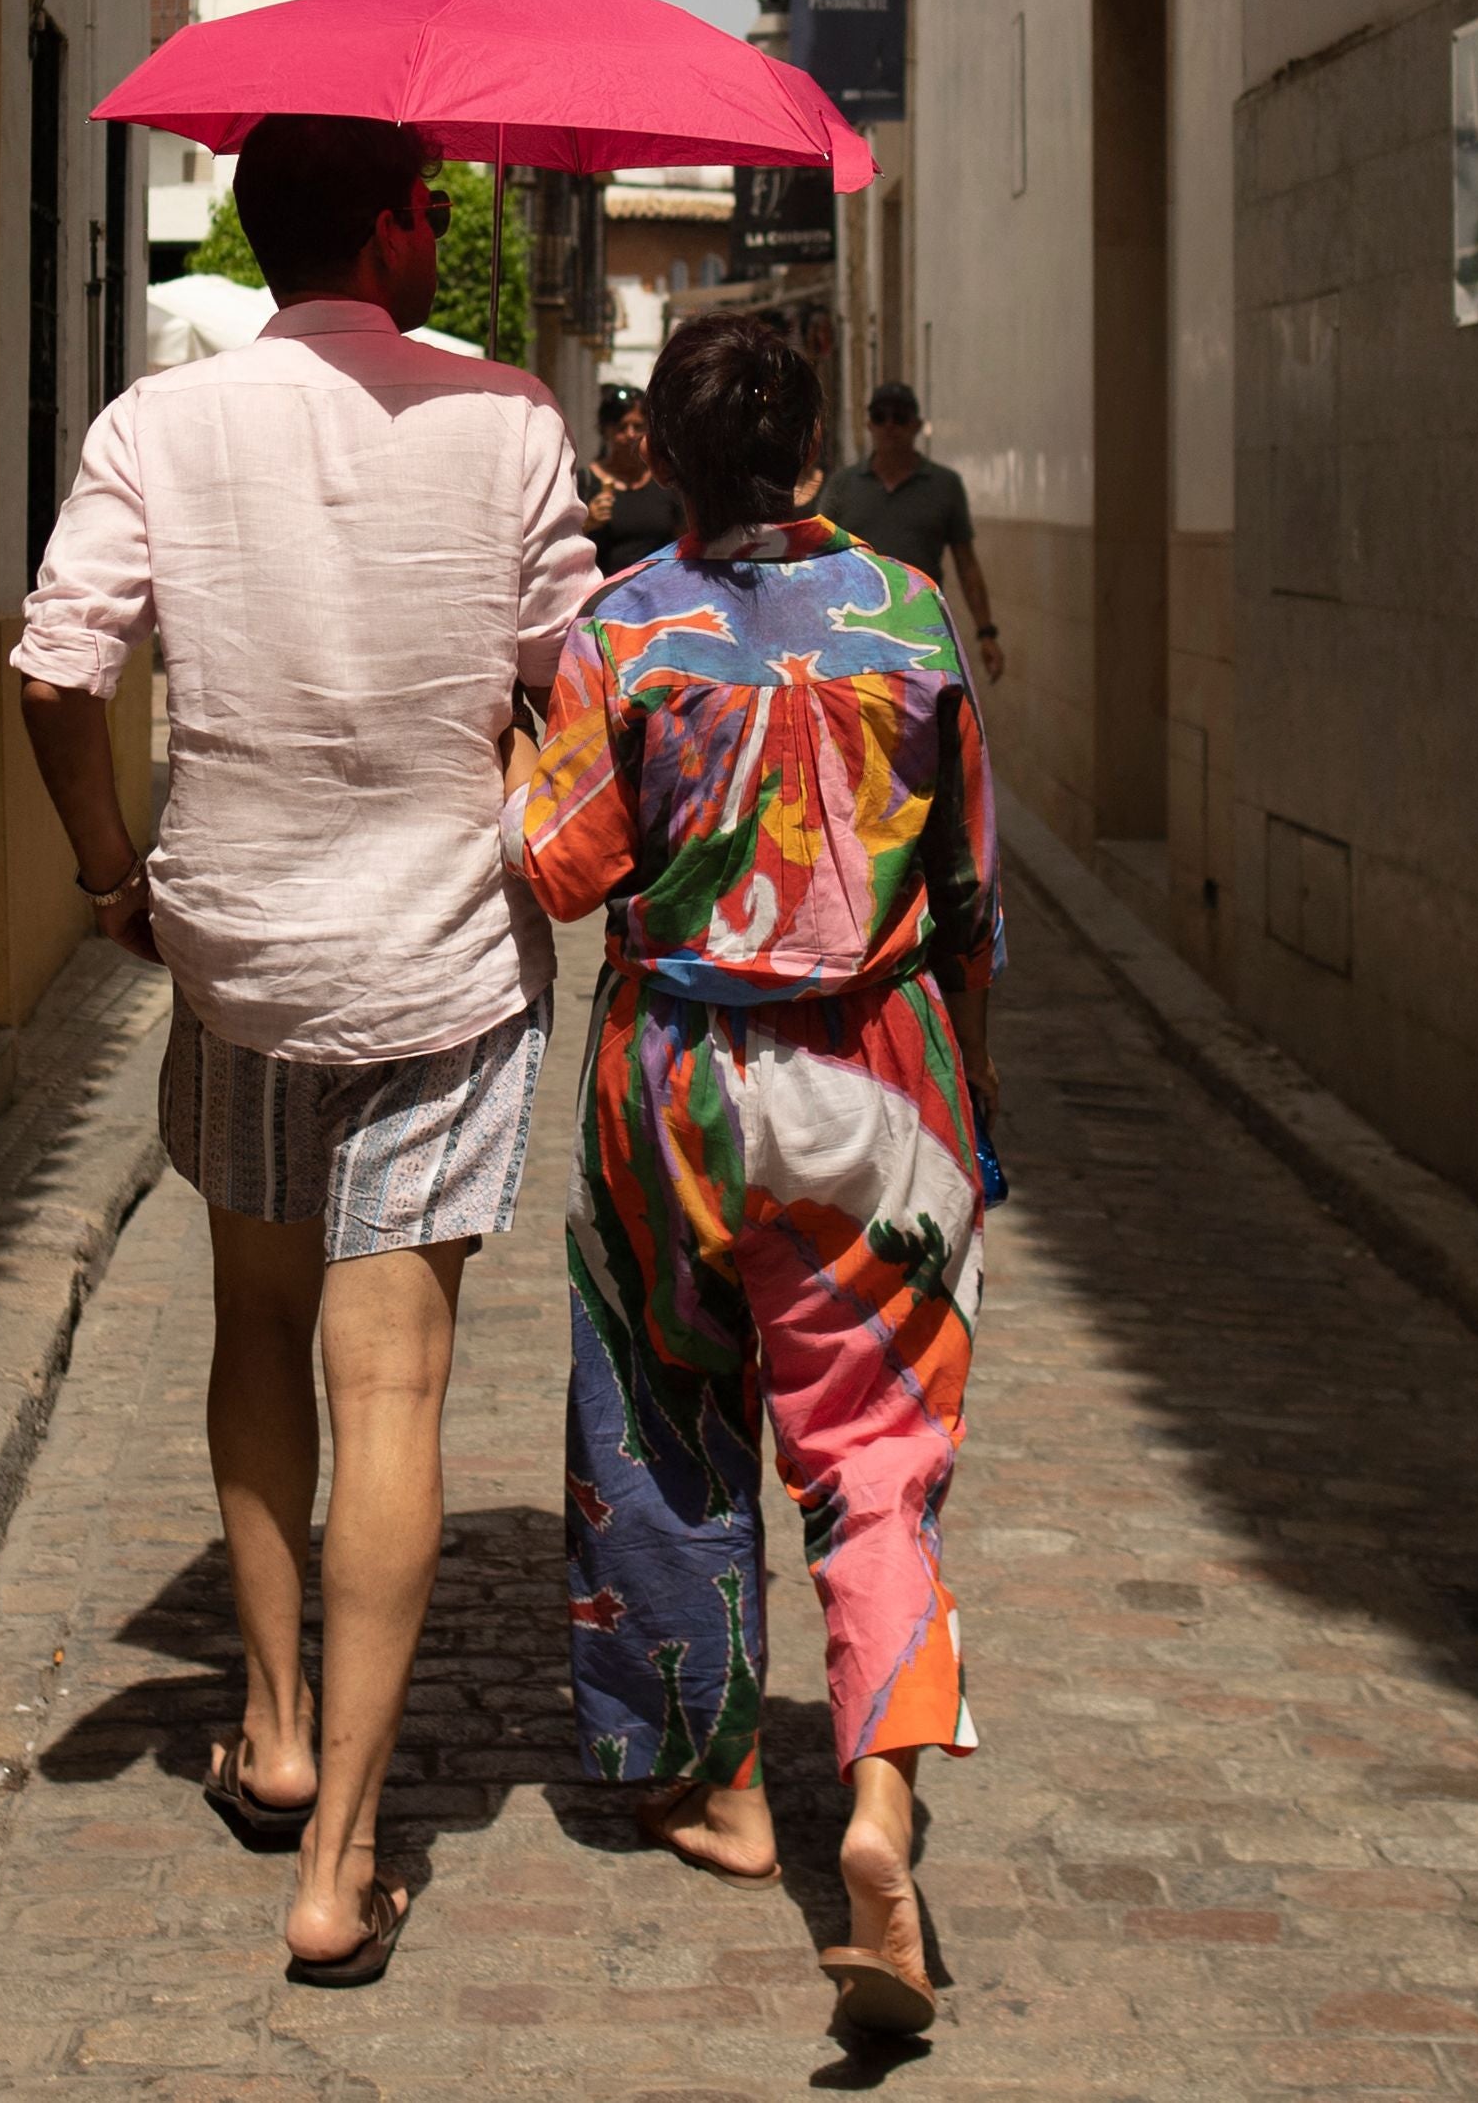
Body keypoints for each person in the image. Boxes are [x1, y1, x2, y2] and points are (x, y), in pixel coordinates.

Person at [10, 111, 596, 1991]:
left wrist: (114, 872)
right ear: (396, 223)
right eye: (436, 206)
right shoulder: (507, 421)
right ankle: (341, 1861)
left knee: (255, 1328)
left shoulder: (155, 425)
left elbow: (52, 668)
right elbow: (564, 680)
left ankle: (266, 1729)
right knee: (396, 1398)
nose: (445, 231)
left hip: (240, 962)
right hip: (434, 974)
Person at [507, 308, 1002, 2042]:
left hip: (678, 1091)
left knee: (663, 1418)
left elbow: (562, 871)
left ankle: (714, 1783)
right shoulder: (912, 614)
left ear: (658, 457)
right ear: (809, 452)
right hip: (881, 1074)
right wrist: (975, 1107)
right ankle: (875, 1815)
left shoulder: (622, 631)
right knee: (879, 1465)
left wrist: (521, 747)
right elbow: (972, 890)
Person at [813, 379, 1003, 682]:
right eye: (880, 416)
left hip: (923, 634)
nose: (890, 425)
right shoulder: (843, 486)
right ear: (869, 424)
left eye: (899, 417)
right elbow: (818, 558)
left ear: (916, 426)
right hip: (856, 636)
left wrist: (986, 632)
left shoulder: (944, 486)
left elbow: (966, 564)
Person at [587, 383, 685, 568]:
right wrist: (587, 523)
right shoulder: (585, 483)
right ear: (605, 431)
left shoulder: (665, 480)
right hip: (608, 592)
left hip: (660, 590)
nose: (630, 434)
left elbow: (684, 539)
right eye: (621, 427)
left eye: (638, 426)